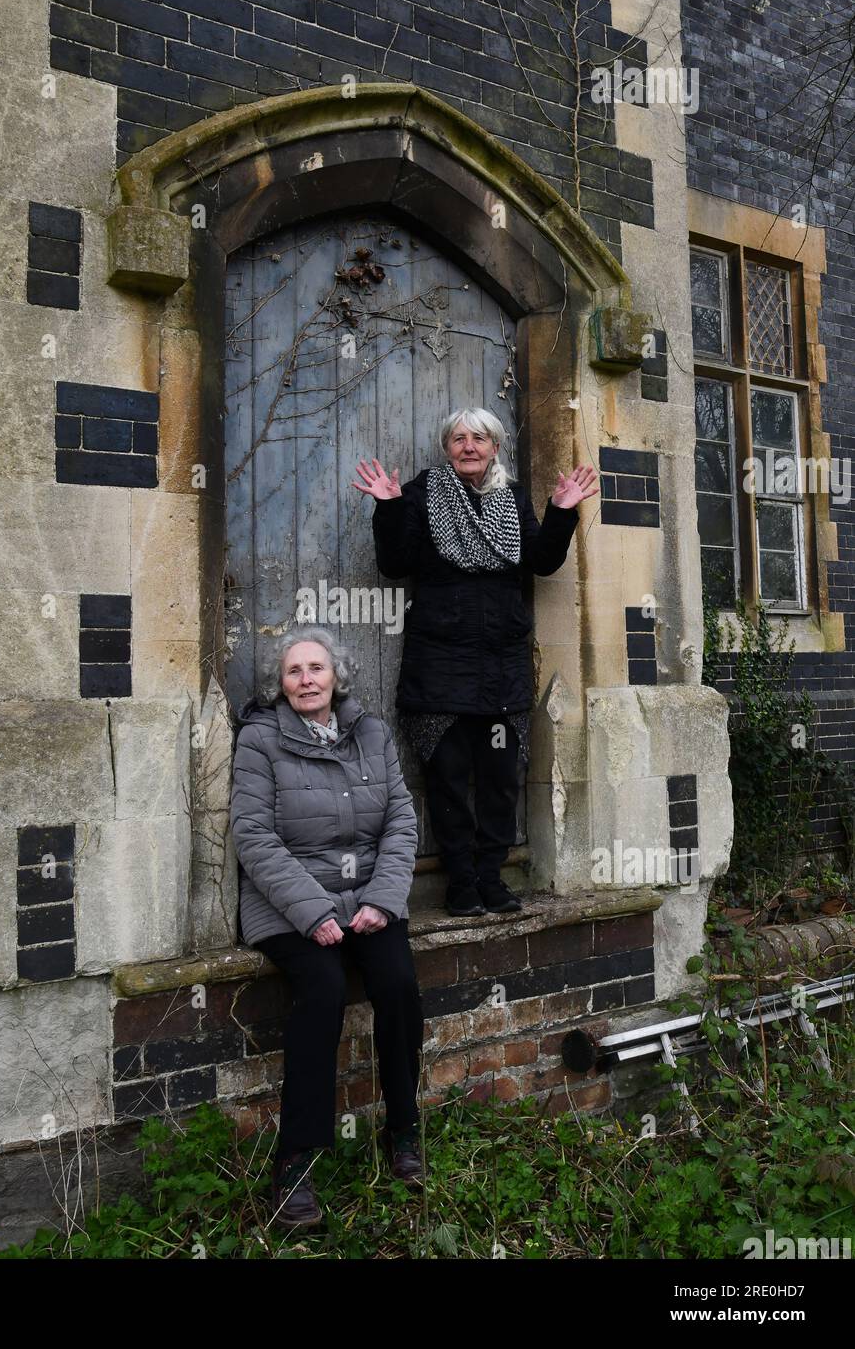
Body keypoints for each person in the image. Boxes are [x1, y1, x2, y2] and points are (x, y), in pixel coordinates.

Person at [353, 407, 597, 918]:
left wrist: (560, 512)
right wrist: (390, 507)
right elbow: (394, 564)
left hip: (500, 665)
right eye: (459, 438)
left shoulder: (511, 497)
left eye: (479, 438)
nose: (469, 446)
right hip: (440, 662)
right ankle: (461, 883)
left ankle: (492, 877)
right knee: (447, 777)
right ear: (447, 448)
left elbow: (541, 561)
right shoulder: (420, 495)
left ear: (495, 447)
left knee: (499, 779)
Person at [230, 627, 424, 1229]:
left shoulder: (371, 733)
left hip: (366, 897)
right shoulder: (260, 740)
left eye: (317, 668)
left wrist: (383, 901)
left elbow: (401, 822)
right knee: (324, 990)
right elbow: (254, 838)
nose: (307, 680)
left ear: (336, 675)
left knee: (396, 983)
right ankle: (295, 1161)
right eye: (294, 671)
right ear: (280, 684)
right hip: (289, 903)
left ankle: (403, 1128)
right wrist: (314, 912)